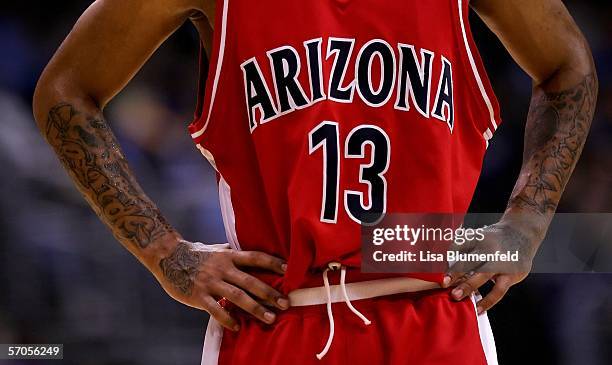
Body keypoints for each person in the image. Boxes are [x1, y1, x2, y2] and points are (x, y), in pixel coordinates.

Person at [32, 0, 597, 364]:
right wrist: (165, 254)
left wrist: (528, 218)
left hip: (434, 306)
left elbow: (568, 65)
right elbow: (65, 90)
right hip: (279, 314)